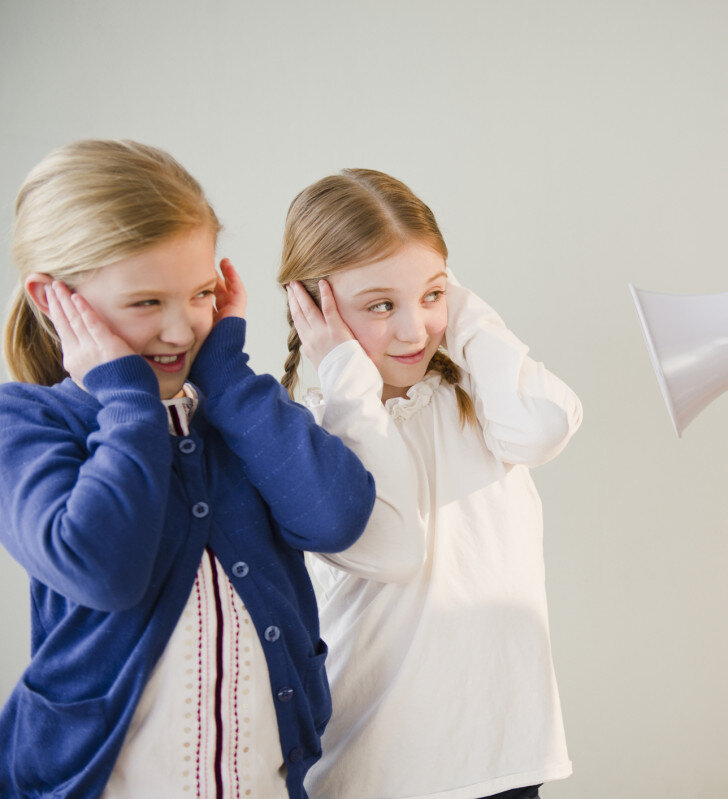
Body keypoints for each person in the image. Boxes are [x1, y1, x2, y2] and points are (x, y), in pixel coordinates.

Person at [0, 140, 375, 798]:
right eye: (146, 303)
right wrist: (126, 400)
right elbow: (102, 567)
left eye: (201, 293)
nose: (181, 329)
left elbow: (336, 514)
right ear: (51, 298)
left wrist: (227, 373)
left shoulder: (235, 414)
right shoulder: (26, 423)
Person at [277, 169, 582, 799]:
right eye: (381, 305)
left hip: (501, 756)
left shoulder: (479, 399)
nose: (415, 331)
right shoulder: (307, 433)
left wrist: (457, 305)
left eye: (433, 296)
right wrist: (342, 371)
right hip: (373, 769)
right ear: (311, 305)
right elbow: (391, 546)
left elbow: (545, 424)